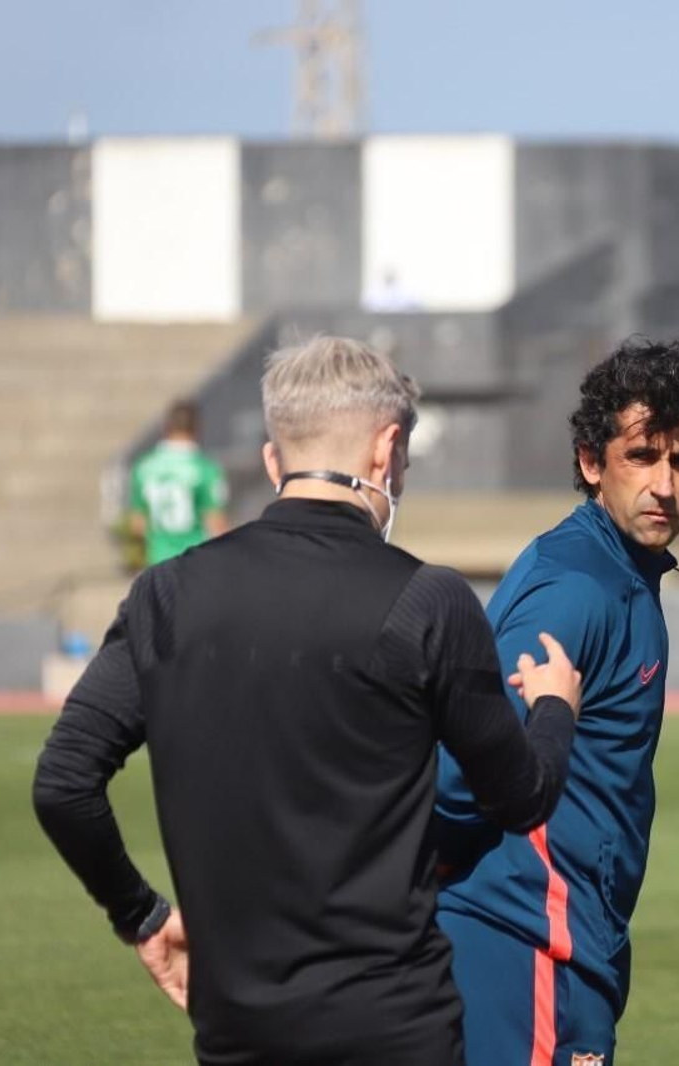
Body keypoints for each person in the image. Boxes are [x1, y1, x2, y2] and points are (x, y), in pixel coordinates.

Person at [33, 336, 586, 1065]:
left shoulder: (165, 596)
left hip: (238, 1031)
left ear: (273, 461)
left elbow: (63, 784)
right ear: (386, 452)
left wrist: (141, 914)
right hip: (394, 1028)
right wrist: (554, 708)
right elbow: (520, 799)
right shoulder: (430, 601)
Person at [432, 336, 679, 1066]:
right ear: (592, 462)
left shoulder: (617, 568)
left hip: (560, 943)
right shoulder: (577, 590)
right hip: (525, 941)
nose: (664, 483)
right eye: (641, 456)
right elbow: (458, 771)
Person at [128, 401, 229, 567]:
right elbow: (216, 524)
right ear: (197, 428)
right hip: (194, 562)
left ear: (165, 427)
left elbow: (137, 524)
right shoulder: (205, 468)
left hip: (158, 562)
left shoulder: (144, 467)